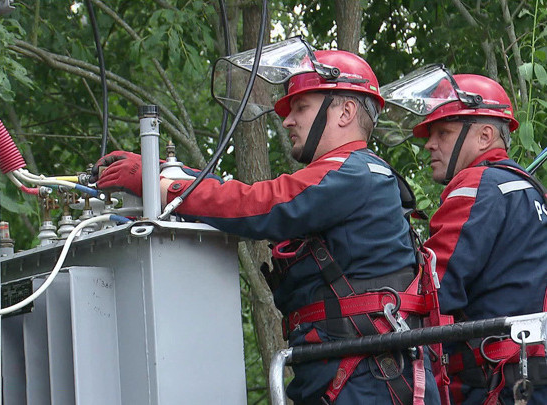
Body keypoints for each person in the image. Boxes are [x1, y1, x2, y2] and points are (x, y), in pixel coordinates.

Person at [97, 47, 440, 405]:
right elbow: (254, 197)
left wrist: (166, 185)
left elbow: (261, 203)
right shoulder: (355, 173)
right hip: (355, 371)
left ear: (345, 111)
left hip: (369, 378)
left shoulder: (351, 173)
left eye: (300, 107)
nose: (288, 120)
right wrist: (184, 178)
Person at [412, 73, 547, 404]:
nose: (430, 143)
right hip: (528, 376)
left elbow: (432, 291)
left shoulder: (476, 186)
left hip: (492, 384)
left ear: (486, 135)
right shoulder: (532, 191)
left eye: (443, 132)